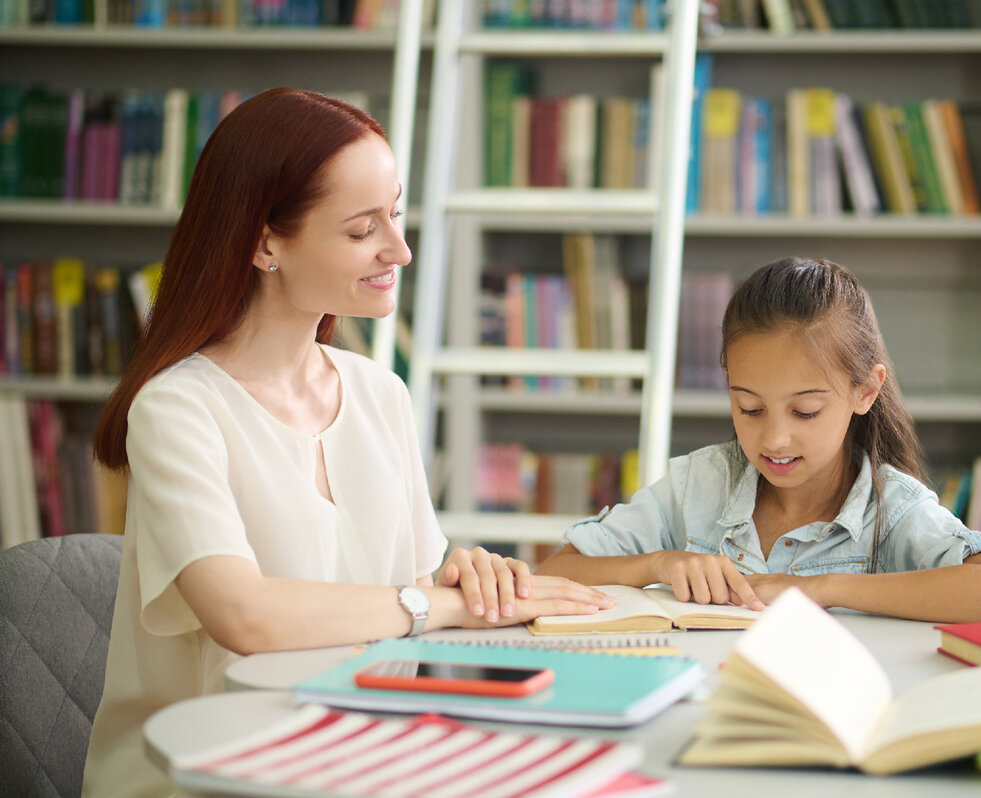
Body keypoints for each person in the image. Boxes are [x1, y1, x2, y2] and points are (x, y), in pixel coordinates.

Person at [82, 88, 612, 798]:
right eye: (364, 229)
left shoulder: (379, 394)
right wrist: (438, 603)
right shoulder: (177, 410)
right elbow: (246, 616)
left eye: (395, 213)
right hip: (214, 776)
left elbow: (414, 599)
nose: (400, 248)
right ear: (265, 242)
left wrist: (468, 581)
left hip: (362, 759)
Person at [537, 257, 981, 623]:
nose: (774, 438)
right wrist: (660, 562)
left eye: (806, 411)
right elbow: (556, 572)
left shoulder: (888, 508)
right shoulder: (699, 487)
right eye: (749, 408)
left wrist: (820, 588)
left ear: (865, 391)